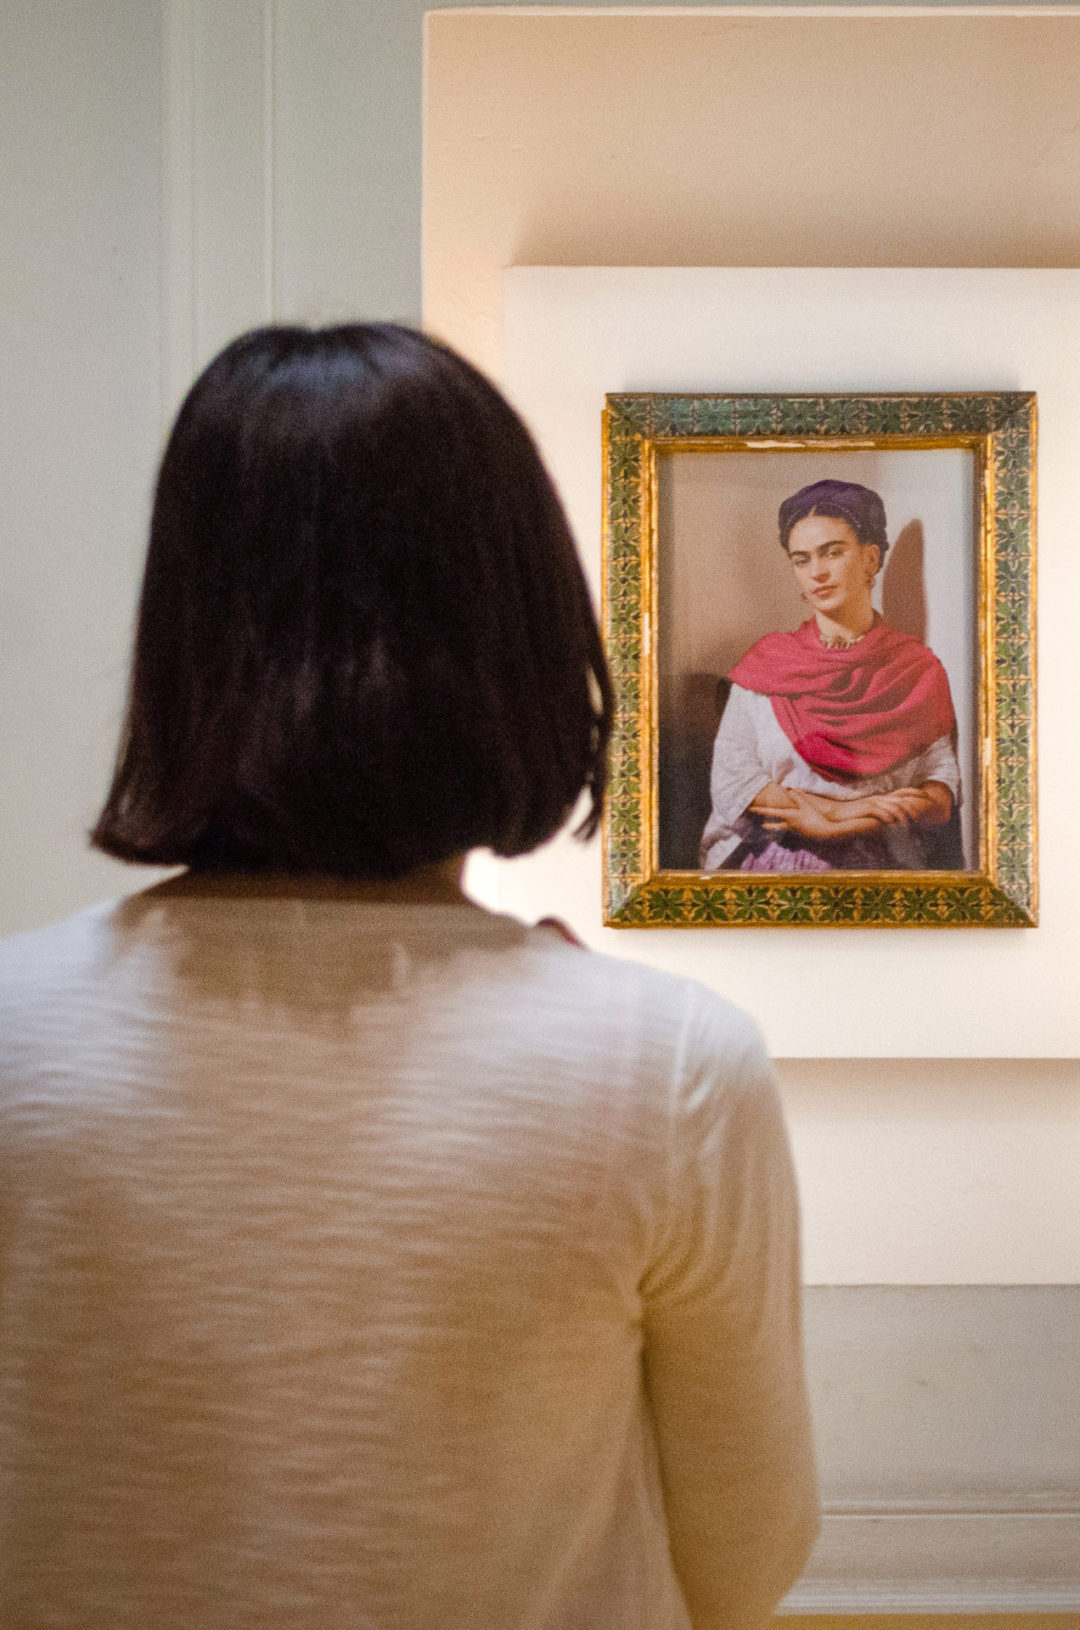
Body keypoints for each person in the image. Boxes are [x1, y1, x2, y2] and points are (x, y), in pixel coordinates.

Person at [0, 324, 818, 1629]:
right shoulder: (666, 1065)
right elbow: (743, 1553)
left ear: (183, 638)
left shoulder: (12, 1033)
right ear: (524, 636)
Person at [700, 478, 963, 874]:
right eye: (801, 559)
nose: (817, 572)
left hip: (884, 872)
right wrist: (848, 810)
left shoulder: (916, 670)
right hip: (774, 864)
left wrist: (831, 825)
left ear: (871, 559)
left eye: (832, 552)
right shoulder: (768, 664)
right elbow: (736, 784)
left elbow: (938, 797)